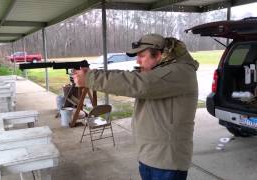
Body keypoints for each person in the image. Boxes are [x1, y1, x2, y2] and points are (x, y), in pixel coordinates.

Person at [73, 34, 199, 180]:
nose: (137, 61)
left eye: (141, 56)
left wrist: (90, 78)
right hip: (150, 156)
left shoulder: (179, 72)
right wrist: (92, 73)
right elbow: (126, 76)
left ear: (158, 55)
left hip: (167, 161)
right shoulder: (159, 71)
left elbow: (138, 84)